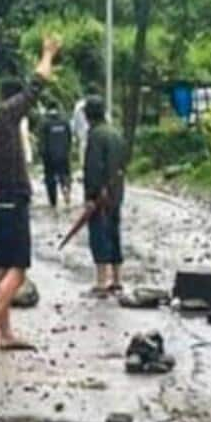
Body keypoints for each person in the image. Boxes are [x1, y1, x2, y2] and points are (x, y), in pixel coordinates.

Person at [0, 33, 62, 358]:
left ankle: (5, 334)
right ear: (13, 101)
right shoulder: (8, 116)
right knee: (19, 269)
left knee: (0, 270)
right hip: (12, 201)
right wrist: (48, 53)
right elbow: (36, 85)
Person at [81, 96, 128, 297]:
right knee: (114, 233)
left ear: (87, 115)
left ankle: (101, 282)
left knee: (99, 235)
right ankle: (117, 279)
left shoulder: (95, 135)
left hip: (101, 195)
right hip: (117, 192)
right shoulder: (116, 133)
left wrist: (91, 196)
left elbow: (93, 167)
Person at [39, 105, 75, 209]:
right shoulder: (65, 121)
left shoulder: (45, 122)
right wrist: (68, 151)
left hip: (49, 156)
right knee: (65, 175)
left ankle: (53, 202)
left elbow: (42, 141)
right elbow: (69, 138)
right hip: (63, 155)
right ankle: (66, 188)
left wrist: (42, 154)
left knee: (50, 179)